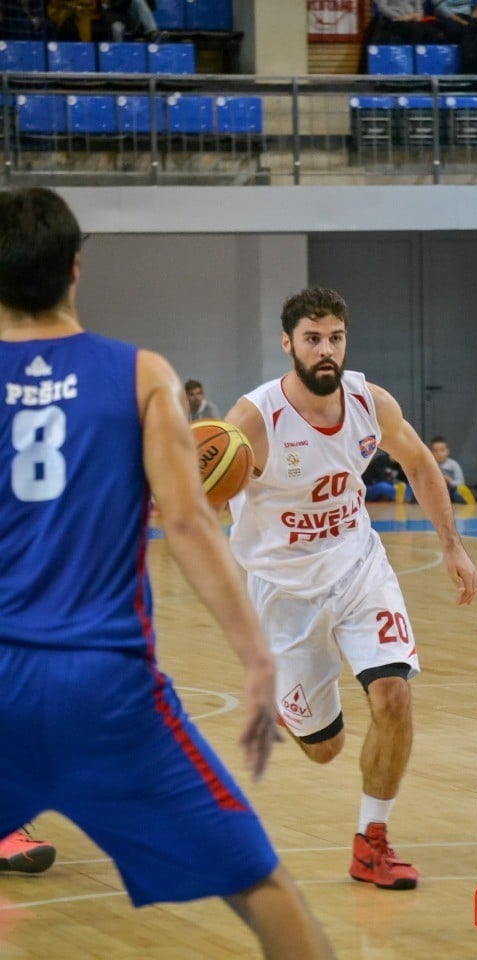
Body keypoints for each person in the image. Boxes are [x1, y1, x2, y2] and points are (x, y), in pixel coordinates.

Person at [0, 187, 337, 960]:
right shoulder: (142, 373)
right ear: (76, 270)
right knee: (264, 890)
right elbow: (187, 523)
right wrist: (258, 658)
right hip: (110, 691)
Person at [225, 286, 477, 891]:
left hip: (359, 568)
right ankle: (289, 704)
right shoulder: (253, 421)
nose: (326, 351)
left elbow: (419, 462)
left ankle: (373, 842)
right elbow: (191, 491)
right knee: (325, 749)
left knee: (393, 696)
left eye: (335, 338)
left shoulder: (371, 402)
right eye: (312, 339)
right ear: (287, 344)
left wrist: (452, 544)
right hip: (283, 594)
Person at [430, 435, 475, 504]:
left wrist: (450, 482)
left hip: (451, 490)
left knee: (459, 491)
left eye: (442, 450)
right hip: (435, 491)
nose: (439, 453)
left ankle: (465, 498)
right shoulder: (429, 465)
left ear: (447, 451)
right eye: (435, 451)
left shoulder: (454, 465)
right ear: (431, 452)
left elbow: (461, 481)